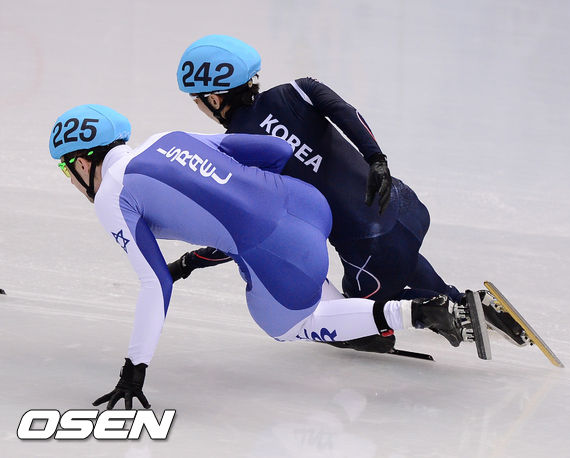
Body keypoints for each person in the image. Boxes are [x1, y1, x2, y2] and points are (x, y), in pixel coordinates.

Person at [49, 104, 474, 409]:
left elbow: (154, 283)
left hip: (277, 246)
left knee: (287, 325)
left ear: (83, 162)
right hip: (306, 203)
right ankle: (343, 307)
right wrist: (251, 199)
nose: (70, 181)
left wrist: (134, 370)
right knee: (282, 274)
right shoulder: (166, 139)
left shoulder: (112, 195)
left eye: (66, 171)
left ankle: (417, 313)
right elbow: (276, 151)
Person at [171, 35, 527, 350]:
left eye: (195, 100)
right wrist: (377, 159)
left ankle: (440, 313)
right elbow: (344, 111)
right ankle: (466, 302)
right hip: (405, 207)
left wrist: (188, 263)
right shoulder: (299, 89)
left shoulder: (236, 155)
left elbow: (242, 232)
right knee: (400, 261)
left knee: (351, 324)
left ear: (214, 98)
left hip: (369, 249)